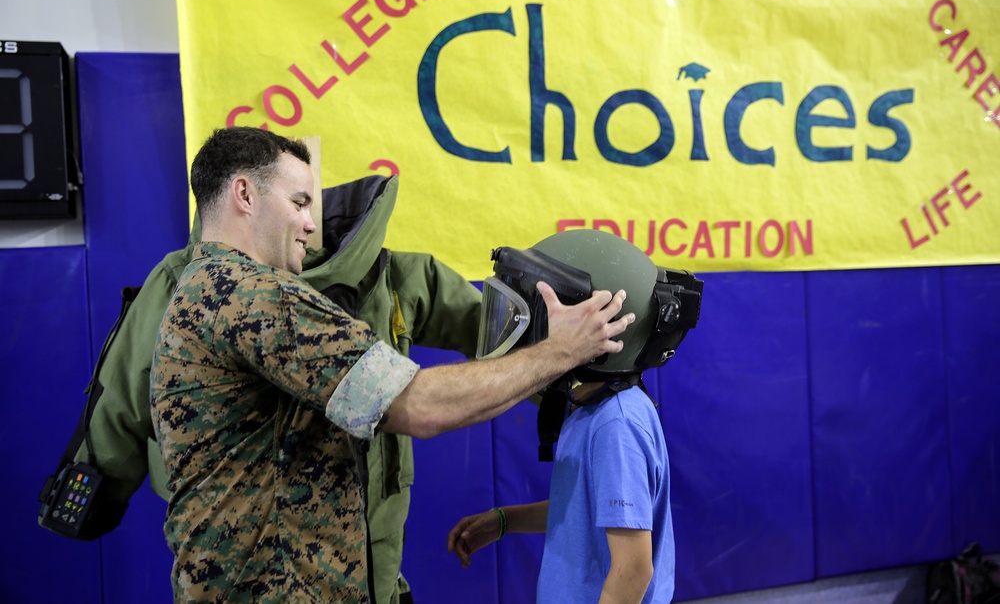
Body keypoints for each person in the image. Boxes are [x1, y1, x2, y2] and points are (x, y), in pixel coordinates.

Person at [150, 127, 633, 603]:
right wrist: (561, 350)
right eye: (298, 203)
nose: (311, 224)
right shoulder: (254, 297)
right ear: (244, 194)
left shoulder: (198, 289)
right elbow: (420, 406)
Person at [60, 168, 481, 604]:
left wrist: (93, 490)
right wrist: (547, 366)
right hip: (369, 569)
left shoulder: (186, 281)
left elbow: (122, 392)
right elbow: (495, 328)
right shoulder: (395, 275)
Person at [447, 229, 704, 604]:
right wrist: (503, 521)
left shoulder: (617, 424)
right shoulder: (588, 406)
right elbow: (584, 514)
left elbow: (633, 569)